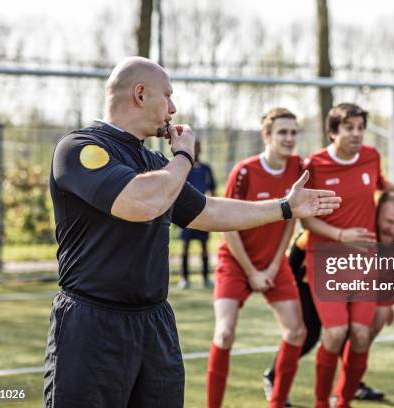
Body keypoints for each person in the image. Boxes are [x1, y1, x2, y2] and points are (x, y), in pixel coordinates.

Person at [45, 57, 341, 408]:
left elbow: (207, 209)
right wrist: (184, 156)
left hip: (154, 322)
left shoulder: (154, 163)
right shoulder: (80, 149)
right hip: (93, 323)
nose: (173, 107)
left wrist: (285, 207)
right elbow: (142, 202)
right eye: (167, 96)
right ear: (140, 94)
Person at [301, 103, 394, 408]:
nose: (356, 134)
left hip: (365, 261)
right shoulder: (314, 165)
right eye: (349, 128)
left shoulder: (370, 156)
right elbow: (305, 218)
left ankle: (344, 401)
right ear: (333, 131)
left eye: (360, 128)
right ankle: (321, 402)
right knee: (336, 332)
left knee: (362, 335)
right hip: (325, 259)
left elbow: (381, 184)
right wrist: (341, 235)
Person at [263, 191, 394, 405]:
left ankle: (349, 385)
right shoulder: (353, 229)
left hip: (348, 286)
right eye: (389, 221)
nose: (393, 229)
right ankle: (273, 377)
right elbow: (297, 251)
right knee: (309, 334)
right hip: (306, 281)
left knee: (363, 327)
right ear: (375, 215)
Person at [206, 107, 306, 408]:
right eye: (282, 132)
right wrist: (251, 271)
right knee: (224, 333)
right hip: (236, 263)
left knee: (297, 331)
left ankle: (276, 402)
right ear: (267, 135)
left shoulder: (298, 168)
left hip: (273, 263)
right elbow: (228, 224)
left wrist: (277, 264)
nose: (289, 138)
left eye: (293, 132)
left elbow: (291, 220)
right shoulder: (245, 170)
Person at [179, 140, 217, 289]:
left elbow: (212, 189)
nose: (195, 149)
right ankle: (184, 278)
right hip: (187, 215)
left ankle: (206, 278)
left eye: (197, 147)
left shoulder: (206, 169)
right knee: (185, 246)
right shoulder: (183, 168)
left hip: (203, 214)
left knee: (204, 247)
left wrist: (214, 208)